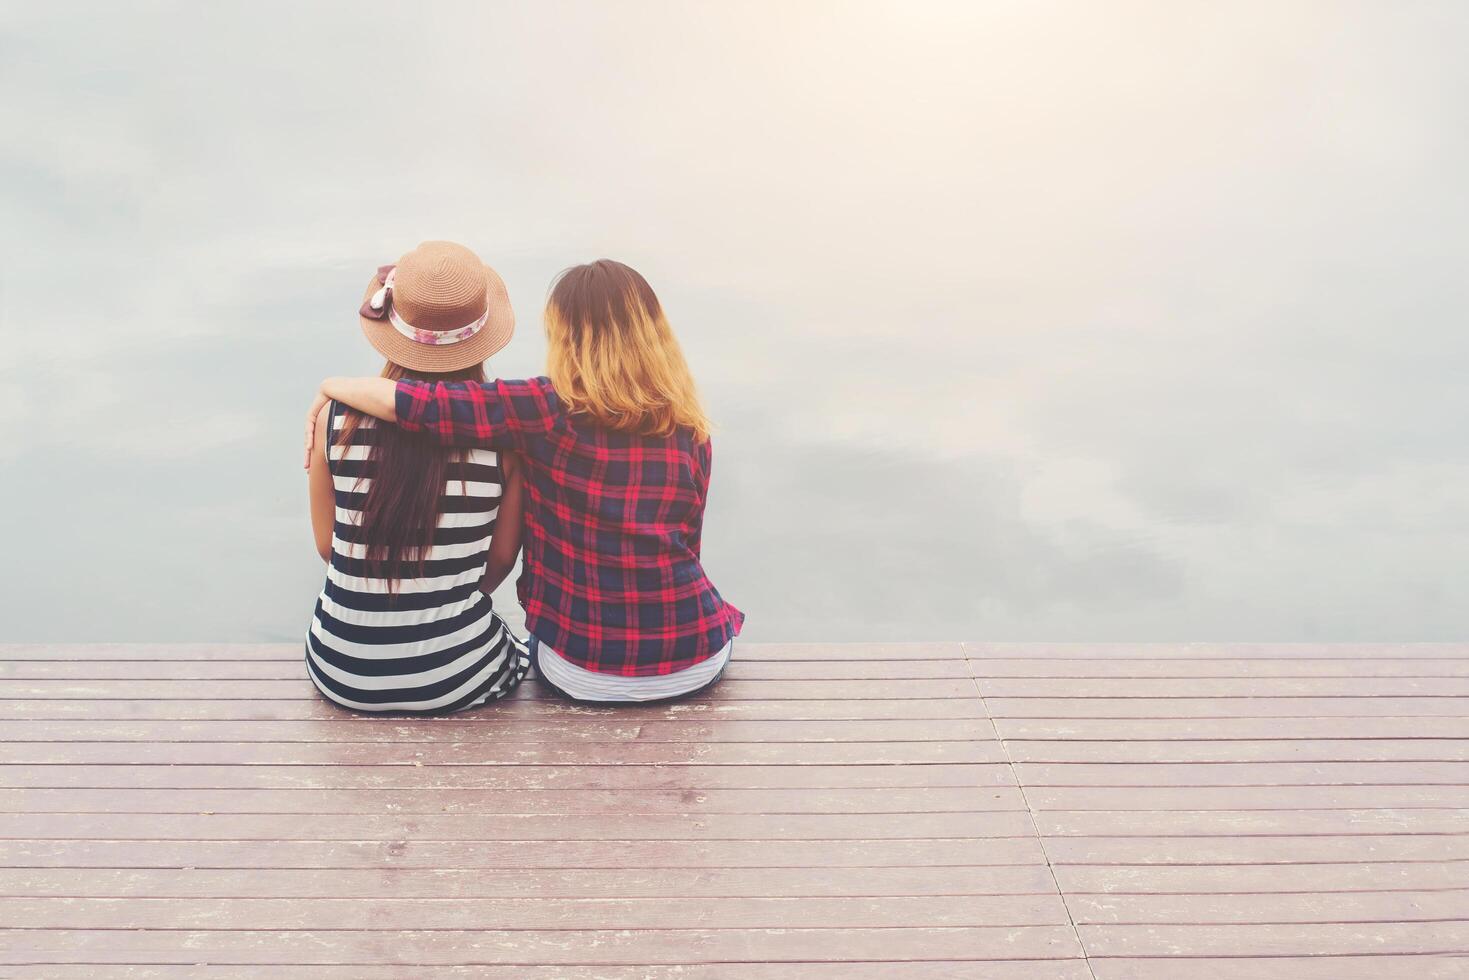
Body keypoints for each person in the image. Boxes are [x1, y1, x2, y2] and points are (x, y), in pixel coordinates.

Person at [305, 259, 743, 702]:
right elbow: (689, 545)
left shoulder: (541, 408)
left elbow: (425, 406)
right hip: (695, 656)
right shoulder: (691, 428)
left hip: (578, 667)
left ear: (563, 336)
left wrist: (332, 385)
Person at [304, 241, 529, 713]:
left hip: (339, 669)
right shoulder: (503, 436)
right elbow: (502, 560)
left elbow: (329, 547)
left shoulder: (334, 420)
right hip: (456, 677)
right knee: (520, 650)